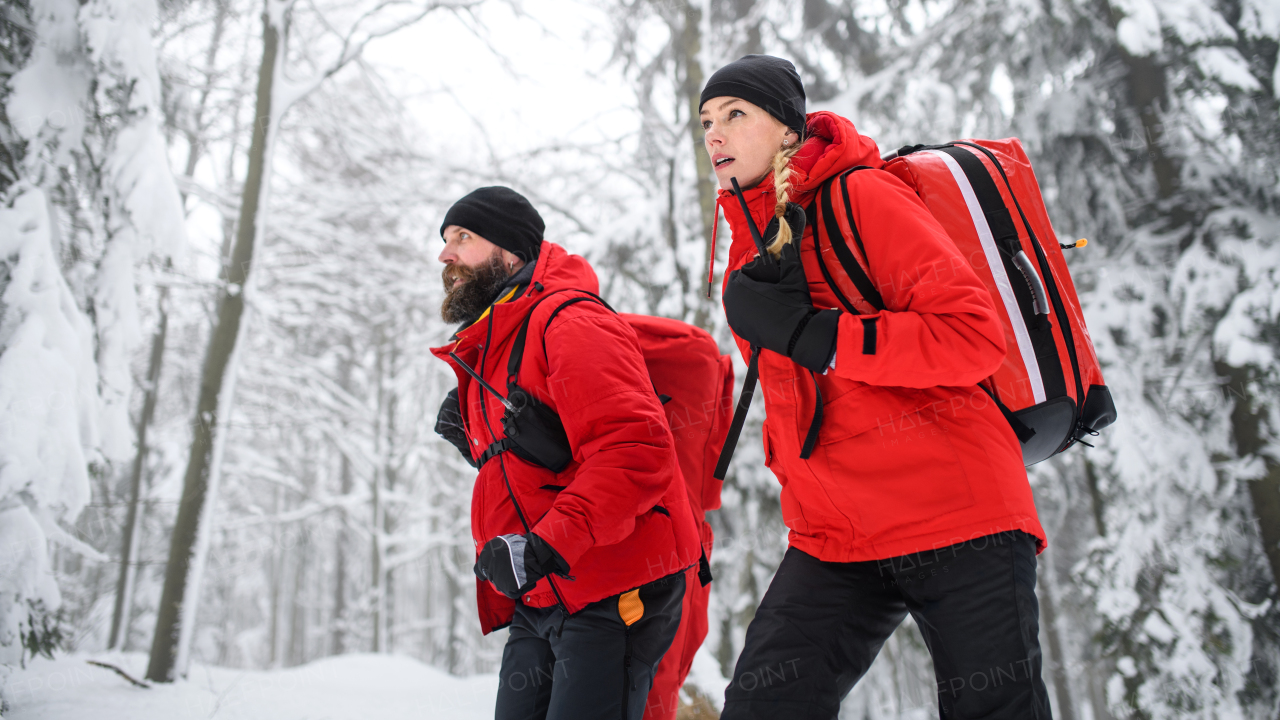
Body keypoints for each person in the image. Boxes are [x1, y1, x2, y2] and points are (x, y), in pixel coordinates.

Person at [700, 55, 1052, 718]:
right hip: (837, 535)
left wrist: (820, 335)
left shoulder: (862, 197)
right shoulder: (748, 258)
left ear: (786, 131)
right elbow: (797, 405)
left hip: (957, 512)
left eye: (735, 114)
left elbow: (972, 336)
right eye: (707, 121)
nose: (715, 134)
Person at [429, 186, 702, 720]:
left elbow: (636, 451)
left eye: (463, 237)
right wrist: (486, 452)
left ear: (510, 252)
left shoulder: (571, 322)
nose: (445, 255)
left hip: (613, 584)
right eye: (444, 240)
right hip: (544, 593)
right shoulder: (494, 345)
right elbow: (553, 465)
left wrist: (542, 548)